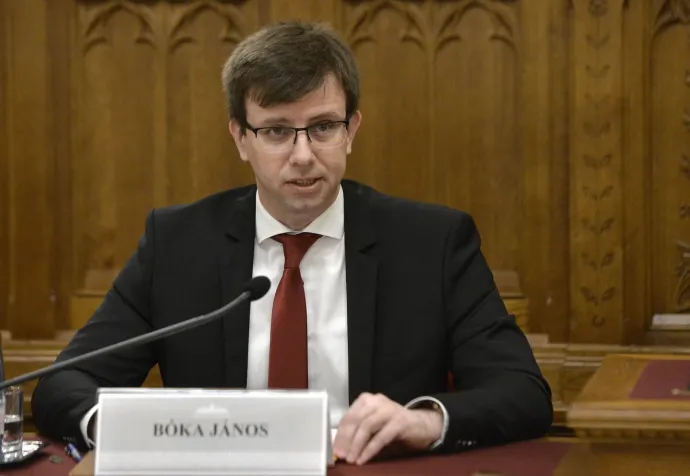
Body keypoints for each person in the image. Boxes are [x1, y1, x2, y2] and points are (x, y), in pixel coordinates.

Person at [31, 20, 552, 465]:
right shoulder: (177, 243)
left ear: (351, 130)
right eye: (278, 132)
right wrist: (126, 431)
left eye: (323, 127)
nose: (303, 155)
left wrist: (423, 421)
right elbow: (62, 384)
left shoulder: (432, 243)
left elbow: (523, 393)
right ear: (240, 138)